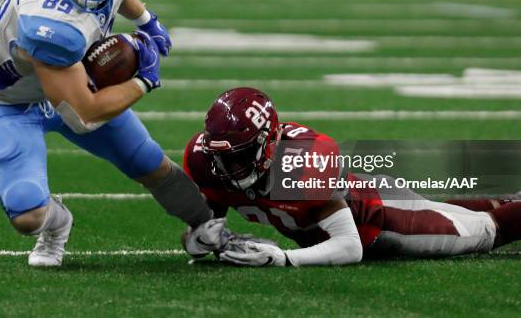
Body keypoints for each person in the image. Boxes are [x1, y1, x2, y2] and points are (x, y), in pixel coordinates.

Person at [0, 0, 214, 267]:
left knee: (150, 163)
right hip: (11, 101)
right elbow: (84, 114)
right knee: (26, 213)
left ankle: (209, 228)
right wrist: (145, 80)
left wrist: (146, 20)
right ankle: (57, 224)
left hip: (69, 76)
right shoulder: (48, 25)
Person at [182, 87, 521, 266]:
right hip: (370, 199)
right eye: (222, 157)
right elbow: (205, 226)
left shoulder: (301, 163)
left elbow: (350, 246)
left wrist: (284, 259)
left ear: (269, 144)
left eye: (240, 156)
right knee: (458, 212)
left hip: (383, 223)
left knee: (487, 230)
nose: (229, 168)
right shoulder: (207, 162)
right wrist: (200, 240)